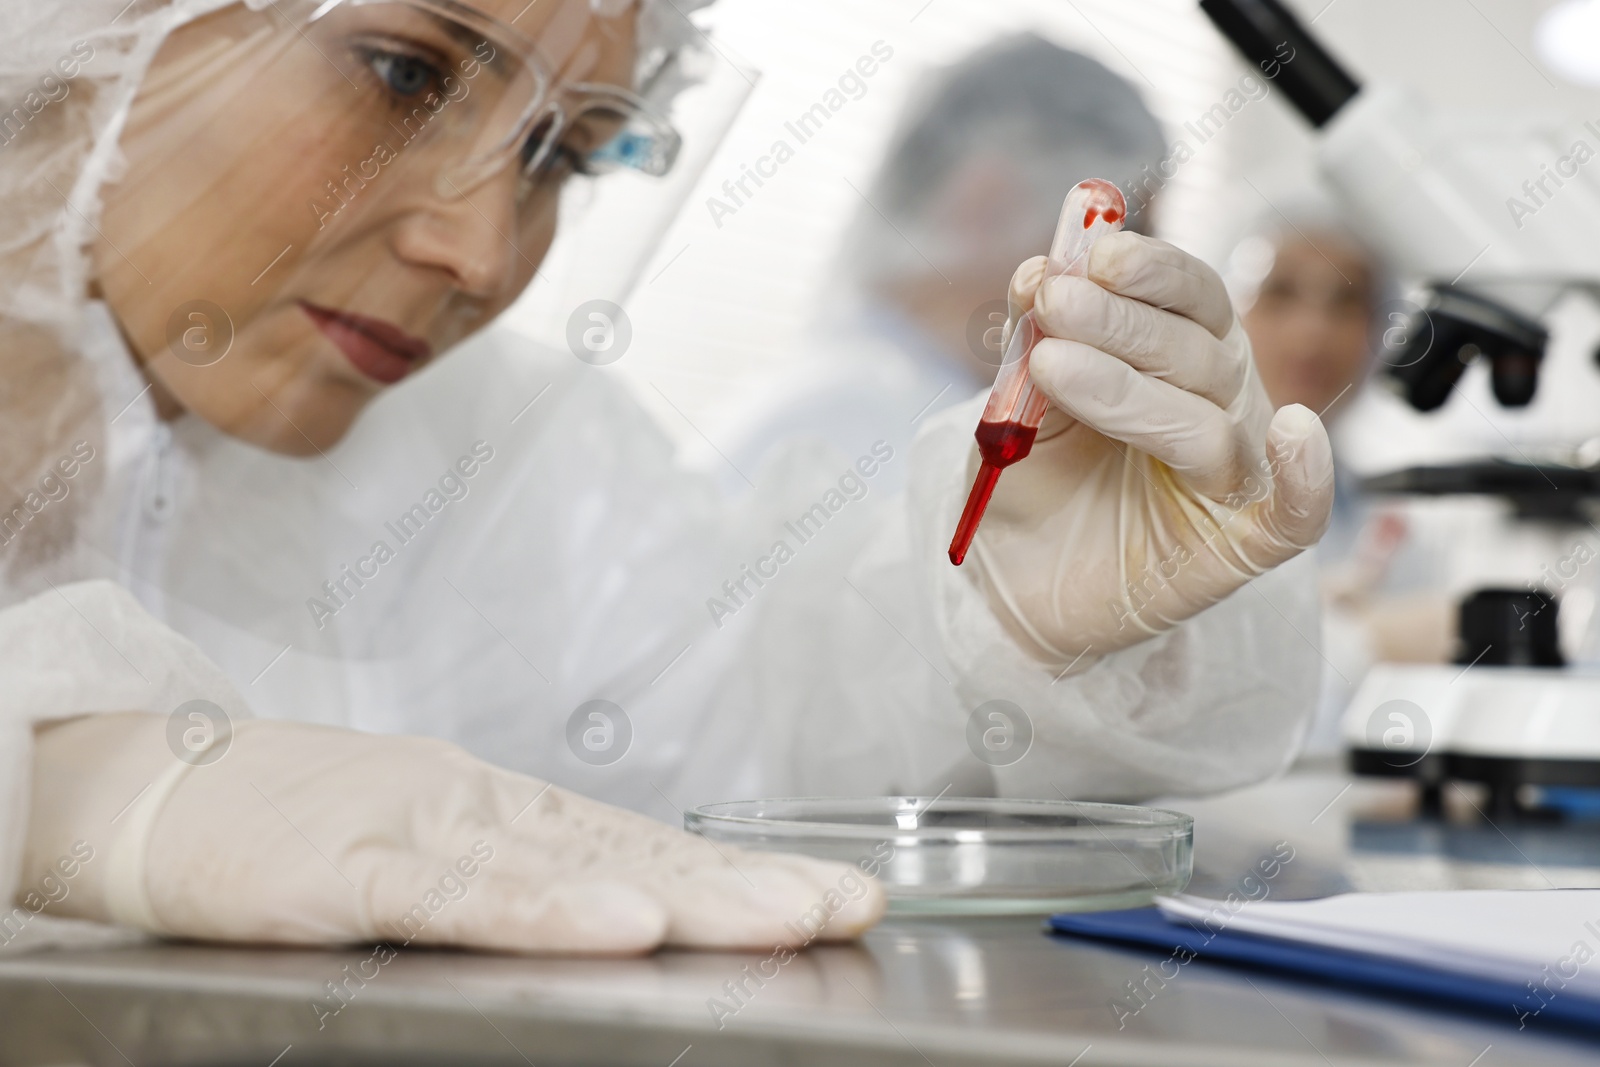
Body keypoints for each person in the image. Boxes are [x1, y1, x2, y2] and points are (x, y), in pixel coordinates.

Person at [3, 0, 1334, 956]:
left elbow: (753, 738)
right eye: (406, 75)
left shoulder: (513, 452)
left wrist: (1008, 630)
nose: (481, 251)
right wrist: (51, 788)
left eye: (559, 156)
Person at [715, 34, 1167, 488]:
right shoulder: (871, 431)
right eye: (1126, 229)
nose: (1133, 276)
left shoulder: (878, 400)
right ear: (989, 202)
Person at [1227, 213, 1450, 750]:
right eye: (1280, 294)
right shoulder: (1160, 488)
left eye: (1346, 304)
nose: (1312, 333)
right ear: (1223, 314)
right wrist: (1363, 642)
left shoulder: (1390, 529)